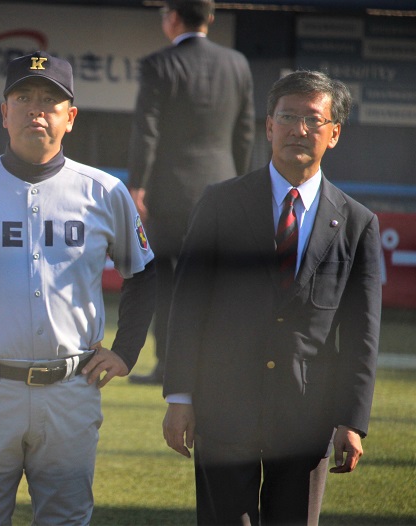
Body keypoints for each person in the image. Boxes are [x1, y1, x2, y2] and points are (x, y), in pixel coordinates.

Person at [0, 51, 156, 525]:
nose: (37, 109)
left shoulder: (103, 191)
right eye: (24, 97)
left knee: (65, 518)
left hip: (71, 387)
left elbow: (143, 272)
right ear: (4, 111)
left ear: (70, 117)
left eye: (50, 101)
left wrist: (127, 352)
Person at [161, 70, 381, 524]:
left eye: (313, 120)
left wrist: (352, 419)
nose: (299, 129)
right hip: (223, 410)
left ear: (334, 133)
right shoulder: (220, 203)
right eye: (287, 117)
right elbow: (188, 304)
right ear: (268, 126)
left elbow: (362, 333)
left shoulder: (358, 224)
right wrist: (179, 397)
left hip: (307, 418)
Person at [126, 0, 255, 385]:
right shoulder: (238, 64)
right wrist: (241, 183)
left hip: (169, 190)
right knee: (215, 280)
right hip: (222, 185)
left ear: (173, 18)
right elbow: (246, 131)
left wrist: (137, 185)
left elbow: (146, 130)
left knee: (166, 281)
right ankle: (217, 364)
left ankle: (168, 366)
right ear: (210, 19)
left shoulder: (158, 64)